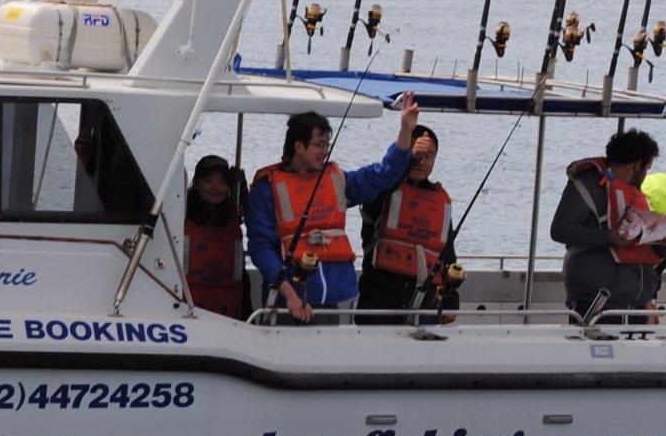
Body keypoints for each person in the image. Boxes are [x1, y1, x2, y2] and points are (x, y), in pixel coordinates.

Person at [247, 94, 420, 322]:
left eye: (327, 144)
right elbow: (260, 248)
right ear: (298, 146)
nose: (325, 151)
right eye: (319, 145)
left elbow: (382, 176)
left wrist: (405, 132)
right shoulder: (266, 189)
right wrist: (289, 294)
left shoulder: (338, 180)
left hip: (332, 300)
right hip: (286, 302)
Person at [549, 127, 662, 322]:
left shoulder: (635, 195)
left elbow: (642, 248)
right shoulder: (586, 185)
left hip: (635, 304)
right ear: (637, 165)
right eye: (648, 168)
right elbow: (560, 229)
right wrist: (607, 237)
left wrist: (663, 243)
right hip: (596, 304)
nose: (646, 175)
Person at [357, 124, 460, 323]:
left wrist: (450, 299)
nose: (422, 162)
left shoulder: (440, 201)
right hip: (379, 304)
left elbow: (448, 256)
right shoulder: (381, 188)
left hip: (424, 307)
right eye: (417, 154)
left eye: (428, 155)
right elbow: (373, 199)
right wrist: (406, 162)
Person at [185, 155, 250, 319]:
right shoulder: (181, 211)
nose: (215, 187)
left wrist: (241, 186)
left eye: (222, 182)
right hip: (188, 303)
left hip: (229, 305)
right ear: (197, 182)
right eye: (208, 180)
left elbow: (250, 209)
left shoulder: (233, 212)